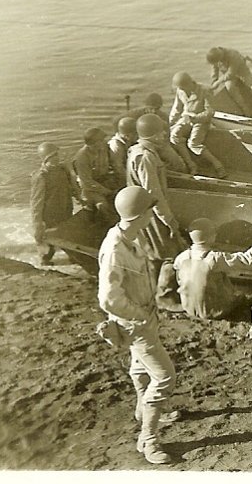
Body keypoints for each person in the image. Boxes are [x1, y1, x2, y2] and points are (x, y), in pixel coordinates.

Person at [97, 186, 177, 464]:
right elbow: (108, 298)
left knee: (140, 368)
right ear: (139, 216)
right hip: (136, 323)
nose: (152, 216)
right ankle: (148, 440)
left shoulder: (129, 237)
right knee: (165, 377)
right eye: (149, 212)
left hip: (143, 318)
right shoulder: (115, 249)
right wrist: (138, 315)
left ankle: (145, 411)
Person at [173, 218, 252, 320]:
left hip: (189, 308)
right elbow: (247, 259)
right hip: (215, 311)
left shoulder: (182, 257)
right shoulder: (214, 258)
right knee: (248, 296)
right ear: (211, 237)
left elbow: (180, 279)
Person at [126, 113, 187, 305]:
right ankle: (165, 297)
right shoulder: (146, 157)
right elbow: (153, 194)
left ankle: (150, 293)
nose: (164, 135)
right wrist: (169, 221)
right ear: (153, 135)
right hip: (152, 213)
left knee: (153, 254)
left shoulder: (137, 150)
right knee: (169, 252)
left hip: (143, 211)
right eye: (161, 132)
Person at [168, 71, 227, 178]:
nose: (182, 90)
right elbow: (177, 108)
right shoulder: (180, 91)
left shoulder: (204, 90)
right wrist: (170, 122)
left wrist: (195, 118)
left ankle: (218, 165)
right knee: (174, 136)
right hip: (186, 118)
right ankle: (191, 165)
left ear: (189, 84)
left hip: (201, 121)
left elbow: (210, 112)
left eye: (183, 88)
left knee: (193, 143)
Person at [30, 142, 79, 266]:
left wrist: (80, 198)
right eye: (53, 156)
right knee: (48, 240)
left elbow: (71, 188)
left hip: (65, 208)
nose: (57, 157)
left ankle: (72, 256)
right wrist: (37, 222)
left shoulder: (63, 170)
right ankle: (45, 259)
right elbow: (36, 202)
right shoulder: (41, 176)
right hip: (50, 214)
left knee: (68, 234)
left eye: (57, 154)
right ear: (46, 159)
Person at [206, 46, 252, 121]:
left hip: (242, 72)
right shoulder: (215, 57)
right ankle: (247, 112)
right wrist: (213, 82)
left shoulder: (233, 54)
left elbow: (231, 73)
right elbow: (214, 70)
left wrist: (218, 82)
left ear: (220, 56)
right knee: (230, 89)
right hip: (229, 76)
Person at [126, 94, 188, 173]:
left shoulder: (163, 116)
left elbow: (166, 136)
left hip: (159, 143)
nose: (154, 111)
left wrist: (161, 146)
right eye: (151, 108)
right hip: (141, 143)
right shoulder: (134, 113)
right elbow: (119, 123)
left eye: (157, 108)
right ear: (146, 106)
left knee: (176, 161)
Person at [72, 127, 121, 220]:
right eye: (101, 140)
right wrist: (106, 191)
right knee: (103, 205)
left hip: (105, 180)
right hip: (90, 188)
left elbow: (115, 164)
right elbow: (87, 182)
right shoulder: (81, 158)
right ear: (94, 144)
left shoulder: (104, 148)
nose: (104, 142)